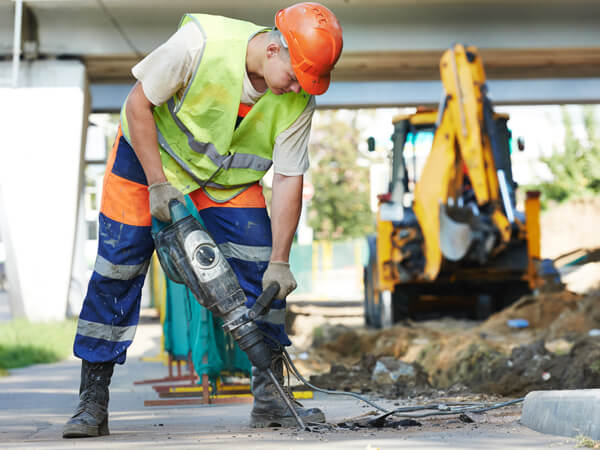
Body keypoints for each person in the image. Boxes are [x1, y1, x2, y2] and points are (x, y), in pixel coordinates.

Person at [62, 2, 343, 438]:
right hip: (146, 163)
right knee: (116, 272)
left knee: (262, 270)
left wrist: (281, 261)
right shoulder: (201, 43)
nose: (297, 88)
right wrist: (157, 184)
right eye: (295, 76)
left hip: (224, 180)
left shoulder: (299, 97)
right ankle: (92, 401)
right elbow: (138, 105)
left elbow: (289, 178)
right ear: (274, 50)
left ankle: (272, 399)